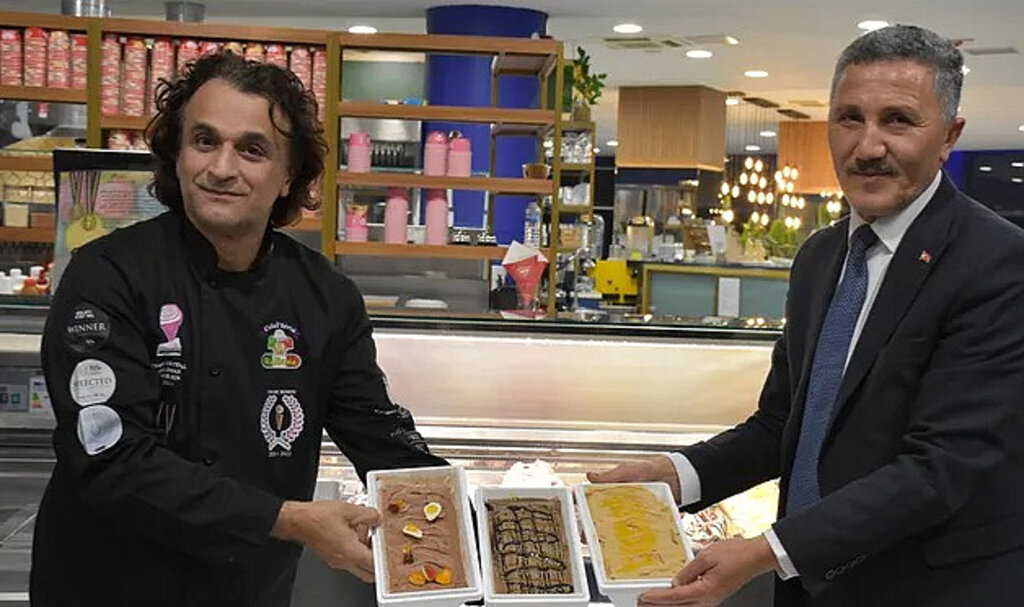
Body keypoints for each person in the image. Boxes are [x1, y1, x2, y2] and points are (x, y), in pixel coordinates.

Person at [590, 25, 1024, 607]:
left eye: (898, 121)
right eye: (849, 118)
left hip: (930, 588)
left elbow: (942, 467)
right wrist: (676, 475)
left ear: (949, 136)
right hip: (810, 586)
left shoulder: (997, 262)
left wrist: (767, 552)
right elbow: (782, 424)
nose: (867, 147)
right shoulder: (821, 255)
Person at [30, 52, 446, 606]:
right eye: (204, 141)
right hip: (107, 585)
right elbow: (112, 459)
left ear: (288, 176)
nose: (222, 168)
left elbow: (378, 436)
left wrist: (473, 521)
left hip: (246, 590)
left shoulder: (324, 296)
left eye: (252, 149)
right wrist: (287, 519)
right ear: (177, 155)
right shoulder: (107, 275)